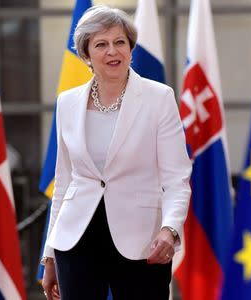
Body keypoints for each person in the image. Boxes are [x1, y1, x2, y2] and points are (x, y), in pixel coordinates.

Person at [41, 5, 192, 300]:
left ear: (130, 48)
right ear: (86, 55)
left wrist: (170, 229)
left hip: (142, 242)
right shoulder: (67, 102)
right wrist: (48, 255)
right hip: (75, 241)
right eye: (101, 44)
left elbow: (177, 178)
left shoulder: (159, 98)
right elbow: (64, 182)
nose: (113, 51)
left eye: (120, 42)